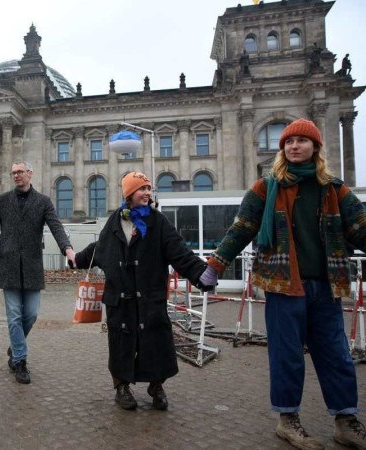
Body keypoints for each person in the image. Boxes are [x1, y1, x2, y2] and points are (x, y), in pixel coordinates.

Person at [200, 118, 366, 449]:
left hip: (325, 286)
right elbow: (242, 228)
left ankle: (346, 421)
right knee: (287, 355)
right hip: (281, 286)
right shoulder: (265, 187)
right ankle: (287, 419)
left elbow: (360, 230)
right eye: (288, 142)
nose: (294, 146)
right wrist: (215, 266)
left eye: (302, 141)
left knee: (336, 355)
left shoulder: (334, 189)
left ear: (316, 147)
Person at [73, 172, 210, 411]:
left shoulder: (157, 222)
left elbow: (179, 251)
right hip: (120, 299)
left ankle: (156, 386)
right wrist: (77, 259)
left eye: (149, 188)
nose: (147, 193)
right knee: (121, 345)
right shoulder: (115, 221)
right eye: (141, 188)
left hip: (150, 297)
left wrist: (202, 273)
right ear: (129, 194)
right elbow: (100, 248)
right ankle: (122, 388)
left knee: (156, 343)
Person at [0, 161, 76, 384]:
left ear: (30, 174)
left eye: (20, 172)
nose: (16, 176)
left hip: (32, 267)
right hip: (8, 266)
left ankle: (15, 346)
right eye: (13, 173)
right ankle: (20, 361)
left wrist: (67, 248)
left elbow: (56, 227)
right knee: (15, 315)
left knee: (32, 314)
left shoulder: (43, 202)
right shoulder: (3, 200)